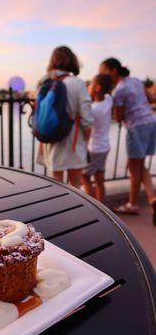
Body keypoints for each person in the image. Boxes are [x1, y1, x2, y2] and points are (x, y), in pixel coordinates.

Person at [100, 57, 156, 224]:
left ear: (113, 70)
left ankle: (132, 204)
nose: (102, 74)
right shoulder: (136, 81)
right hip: (151, 122)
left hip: (136, 127)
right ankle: (153, 198)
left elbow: (118, 118)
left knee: (133, 168)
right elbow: (152, 99)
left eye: (104, 70)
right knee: (140, 165)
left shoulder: (118, 91)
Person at [36, 46, 93, 188]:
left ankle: (58, 209)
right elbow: (86, 117)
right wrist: (86, 137)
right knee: (76, 186)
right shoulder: (77, 83)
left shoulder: (44, 82)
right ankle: (74, 210)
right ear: (71, 61)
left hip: (51, 139)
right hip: (73, 140)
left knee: (56, 186)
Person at [82, 74, 113, 203]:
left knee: (85, 176)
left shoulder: (93, 109)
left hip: (94, 148)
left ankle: (96, 207)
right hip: (105, 146)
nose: (89, 85)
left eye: (91, 84)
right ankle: (103, 205)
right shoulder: (108, 99)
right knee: (99, 178)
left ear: (98, 88)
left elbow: (86, 129)